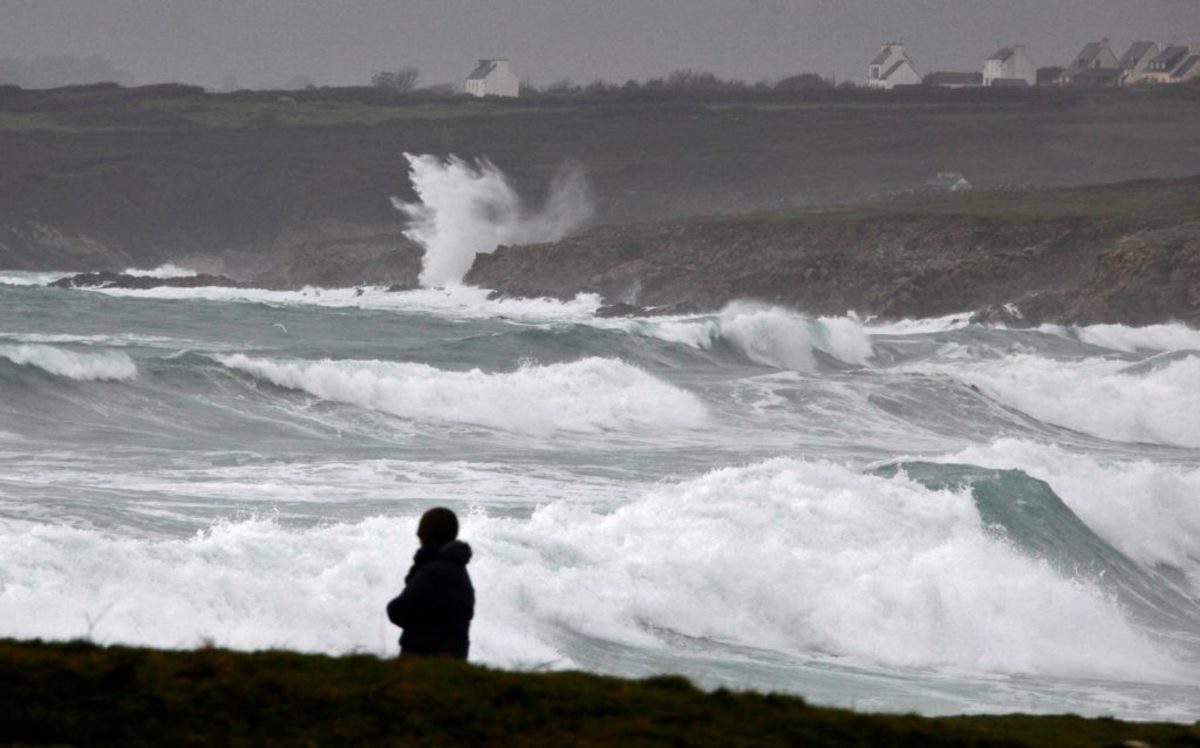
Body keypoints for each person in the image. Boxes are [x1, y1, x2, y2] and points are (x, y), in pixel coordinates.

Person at [386, 507, 475, 659]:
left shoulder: (434, 572)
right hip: (454, 659)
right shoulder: (459, 570)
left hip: (425, 660)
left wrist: (419, 565)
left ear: (425, 535)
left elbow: (397, 610)